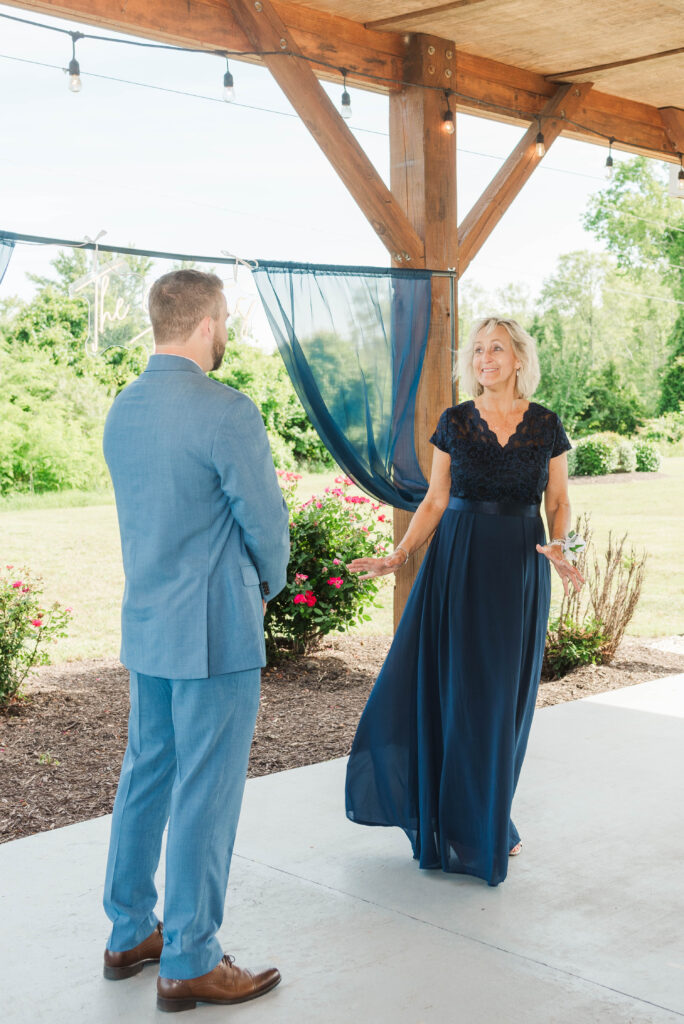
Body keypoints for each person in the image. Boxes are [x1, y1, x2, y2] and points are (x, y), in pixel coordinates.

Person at [101, 269, 290, 1011]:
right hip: (214, 631)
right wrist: (266, 584)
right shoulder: (226, 410)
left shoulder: (124, 408)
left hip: (148, 627)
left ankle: (128, 933)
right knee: (206, 793)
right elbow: (266, 524)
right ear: (210, 322)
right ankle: (190, 958)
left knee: (146, 774)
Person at [345, 317, 584, 887]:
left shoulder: (546, 425)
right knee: (456, 693)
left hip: (520, 572)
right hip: (457, 567)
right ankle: (461, 819)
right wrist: (399, 555)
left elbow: (559, 500)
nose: (484, 358)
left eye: (496, 348)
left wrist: (560, 543)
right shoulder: (455, 422)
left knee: (504, 700)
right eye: (477, 350)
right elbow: (434, 501)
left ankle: (489, 815)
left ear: (519, 358)